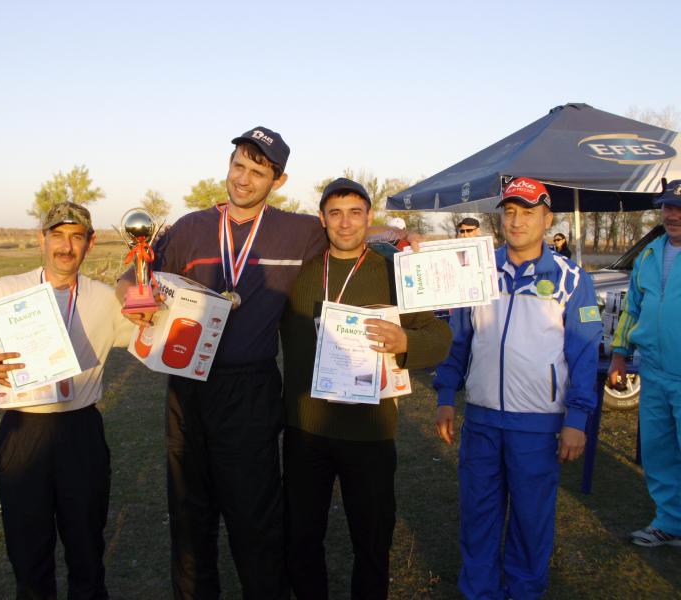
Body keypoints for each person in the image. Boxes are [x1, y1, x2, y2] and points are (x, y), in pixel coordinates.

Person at [118, 126, 330, 599]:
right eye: (239, 165)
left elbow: (347, 231)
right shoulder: (189, 228)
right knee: (190, 517)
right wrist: (134, 299)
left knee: (254, 520)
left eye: (258, 172)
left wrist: (399, 234)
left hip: (249, 389)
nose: (243, 179)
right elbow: (133, 276)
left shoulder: (298, 232)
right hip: (187, 387)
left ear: (278, 180)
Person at [280, 178, 451, 599]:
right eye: (335, 213)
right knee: (301, 540)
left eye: (355, 213)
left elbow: (440, 337)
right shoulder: (296, 272)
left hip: (370, 432)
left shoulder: (392, 273)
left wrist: (406, 340)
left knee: (372, 544)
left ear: (368, 218)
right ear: (322, 219)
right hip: (306, 429)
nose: (345, 223)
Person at [433, 177, 602, 599]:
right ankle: (480, 592)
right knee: (478, 517)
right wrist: (445, 396)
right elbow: (457, 338)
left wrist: (577, 418)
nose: (517, 221)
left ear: (547, 218)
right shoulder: (477, 270)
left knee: (531, 522)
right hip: (482, 420)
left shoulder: (571, 278)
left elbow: (584, 351)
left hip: (539, 425)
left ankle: (524, 592)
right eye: (509, 212)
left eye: (528, 212)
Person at [0, 202, 133, 599]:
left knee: (87, 551)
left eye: (76, 237)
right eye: (57, 236)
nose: (66, 247)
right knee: (28, 554)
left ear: (90, 243)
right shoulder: (5, 290)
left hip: (81, 431)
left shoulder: (106, 298)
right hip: (24, 431)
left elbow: (150, 333)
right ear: (42, 239)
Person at [609, 178, 681, 548]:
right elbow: (631, 311)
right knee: (658, 451)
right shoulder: (649, 255)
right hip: (653, 372)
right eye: (668, 207)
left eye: (679, 208)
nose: (673, 215)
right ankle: (669, 523)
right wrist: (619, 355)